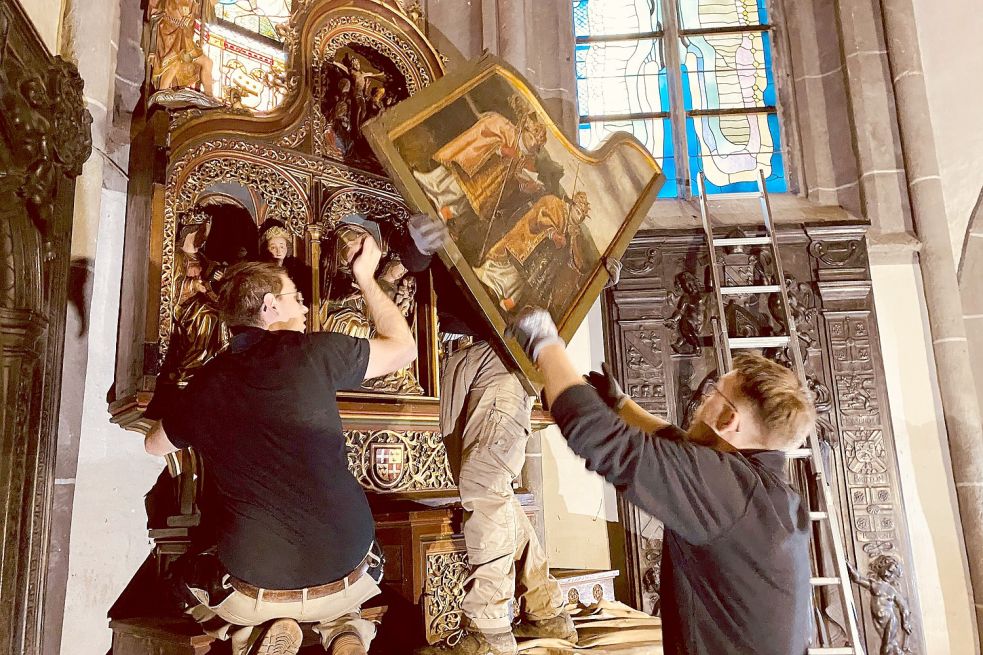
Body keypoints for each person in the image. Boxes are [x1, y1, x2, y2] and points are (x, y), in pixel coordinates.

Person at [144, 232, 417, 655]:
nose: (306, 306)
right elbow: (403, 350)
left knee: (180, 582)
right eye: (295, 297)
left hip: (255, 589)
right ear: (269, 307)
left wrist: (197, 415)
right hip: (359, 573)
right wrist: (365, 277)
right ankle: (346, 629)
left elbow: (154, 446)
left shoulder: (207, 382)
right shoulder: (316, 352)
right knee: (349, 554)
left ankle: (254, 633)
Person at [509, 307, 816, 655]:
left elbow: (598, 437)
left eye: (714, 393)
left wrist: (543, 339)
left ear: (730, 418)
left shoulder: (732, 493)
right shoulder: (767, 494)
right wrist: (620, 404)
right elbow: (678, 443)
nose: (702, 401)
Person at [398, 215, 577, 655]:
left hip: (500, 357)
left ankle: (489, 628)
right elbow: (416, 266)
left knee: (486, 485)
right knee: (489, 488)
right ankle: (546, 608)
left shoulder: (531, 221)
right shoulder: (462, 208)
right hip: (452, 358)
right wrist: (418, 247)